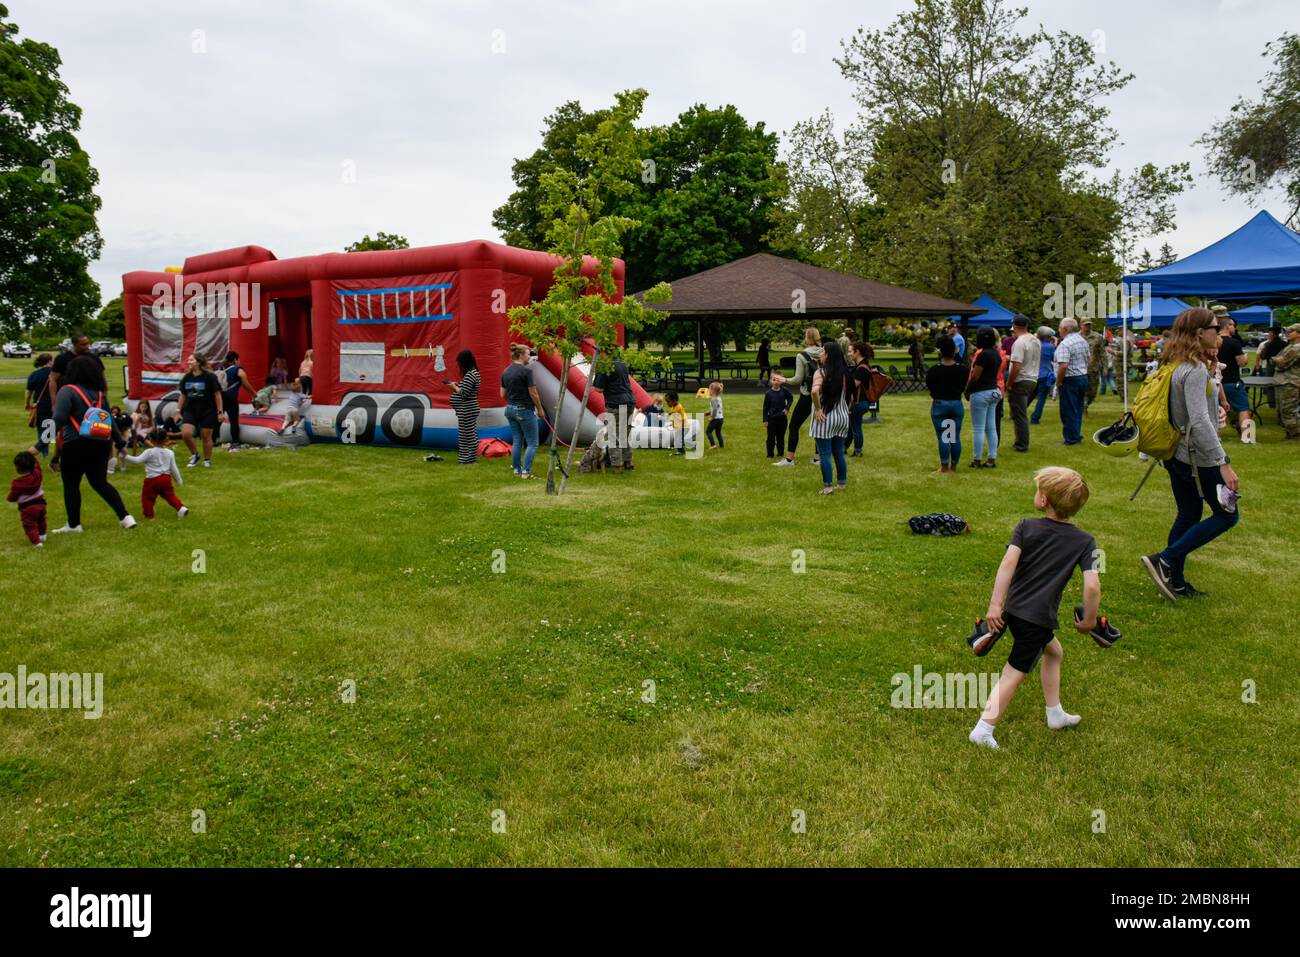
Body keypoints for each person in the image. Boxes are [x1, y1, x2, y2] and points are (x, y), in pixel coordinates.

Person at [968, 466, 1100, 751]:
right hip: (1037, 619)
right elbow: (1092, 586)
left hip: (1013, 612)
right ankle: (982, 730)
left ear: (1043, 501)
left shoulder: (1026, 526)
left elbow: (1007, 564)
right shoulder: (1085, 542)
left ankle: (1055, 714)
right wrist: (1089, 621)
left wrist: (995, 605)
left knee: (1054, 652)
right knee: (1012, 674)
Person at [1140, 308, 1242, 601]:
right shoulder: (1193, 370)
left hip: (1177, 454)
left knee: (1189, 512)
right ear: (1200, 333)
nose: (1219, 331)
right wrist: (1224, 463)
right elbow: (1198, 421)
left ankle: (1176, 581)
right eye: (1215, 327)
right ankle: (1166, 559)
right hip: (1199, 457)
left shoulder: (1177, 364)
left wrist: (1211, 371)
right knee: (1227, 515)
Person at [48, 355, 135, 533]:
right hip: (101, 444)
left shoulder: (67, 391)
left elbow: (57, 420)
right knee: (100, 482)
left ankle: (74, 524)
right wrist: (119, 442)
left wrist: (41, 443)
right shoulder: (100, 394)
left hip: (76, 444)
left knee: (71, 484)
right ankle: (125, 517)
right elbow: (110, 419)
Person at [774, 328, 823, 468]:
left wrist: (783, 380)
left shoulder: (801, 356)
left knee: (794, 425)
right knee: (819, 425)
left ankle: (789, 460)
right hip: (823, 394)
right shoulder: (825, 352)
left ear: (807, 338)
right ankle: (818, 458)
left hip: (807, 395)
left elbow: (797, 379)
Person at [810, 340, 851, 494]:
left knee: (825, 454)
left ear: (827, 355)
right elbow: (849, 396)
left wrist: (818, 409)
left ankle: (828, 486)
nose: (820, 354)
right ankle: (841, 484)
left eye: (822, 351)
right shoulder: (844, 373)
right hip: (842, 417)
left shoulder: (820, 372)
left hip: (825, 418)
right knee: (839, 452)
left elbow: (814, 391)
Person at [500, 343, 544, 479]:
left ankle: (516, 470)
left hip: (510, 409)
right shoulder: (527, 372)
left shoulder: (506, 371)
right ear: (520, 355)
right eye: (527, 354)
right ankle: (526, 472)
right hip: (524, 409)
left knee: (517, 440)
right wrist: (540, 409)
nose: (529, 357)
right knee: (532, 442)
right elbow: (534, 393)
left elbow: (502, 395)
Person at [126, 427, 187, 519]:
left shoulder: (149, 452)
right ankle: (181, 508)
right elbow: (173, 468)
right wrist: (179, 480)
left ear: (151, 439)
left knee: (147, 499)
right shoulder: (170, 453)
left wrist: (124, 456)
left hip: (152, 480)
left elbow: (136, 461)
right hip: (166, 479)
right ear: (166, 439)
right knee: (170, 495)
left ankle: (149, 516)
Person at [926, 333, 966, 473]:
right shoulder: (962, 369)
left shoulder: (934, 370)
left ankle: (944, 466)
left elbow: (930, 386)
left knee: (944, 436)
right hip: (956, 404)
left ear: (941, 351)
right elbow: (964, 385)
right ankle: (954, 466)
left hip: (940, 405)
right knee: (954, 436)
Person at [965, 327, 1003, 468]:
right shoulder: (996, 354)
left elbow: (975, 376)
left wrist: (967, 390)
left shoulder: (982, 355)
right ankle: (991, 459)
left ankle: (976, 460)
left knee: (978, 428)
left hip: (981, 392)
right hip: (994, 391)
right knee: (991, 428)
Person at [177, 353, 224, 468]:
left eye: (191, 360)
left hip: (208, 410)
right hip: (190, 410)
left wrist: (220, 412)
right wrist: (178, 411)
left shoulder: (209, 377)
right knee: (186, 434)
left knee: (206, 437)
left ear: (198, 362)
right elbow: (183, 395)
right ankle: (195, 454)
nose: (188, 362)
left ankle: (207, 460)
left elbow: (217, 394)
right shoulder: (187, 377)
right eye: (188, 360)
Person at [593, 356, 637, 472]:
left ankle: (617, 466)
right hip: (630, 401)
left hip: (615, 403)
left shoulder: (604, 365)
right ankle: (628, 462)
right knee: (625, 434)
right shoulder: (622, 363)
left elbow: (598, 389)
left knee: (614, 436)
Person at [1005, 316, 1041, 453]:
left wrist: (1009, 383)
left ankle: (1021, 444)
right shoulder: (1036, 340)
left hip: (1021, 380)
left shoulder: (1019, 342)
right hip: (1033, 378)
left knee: (1019, 414)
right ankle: (1020, 441)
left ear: (1014, 326)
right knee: (1020, 413)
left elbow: (1016, 365)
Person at [1054, 318, 1090, 445]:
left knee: (1068, 410)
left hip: (1070, 379)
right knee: (1078, 408)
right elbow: (1089, 359)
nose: (1059, 330)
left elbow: (1063, 365)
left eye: (1059, 327)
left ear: (1065, 329)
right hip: (1083, 376)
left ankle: (1070, 438)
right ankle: (1076, 434)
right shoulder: (1082, 340)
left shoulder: (1065, 344)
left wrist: (1058, 382)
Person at [1216, 318, 1252, 442]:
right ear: (1227, 326)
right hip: (1232, 382)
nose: (1235, 328)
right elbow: (1241, 363)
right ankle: (1247, 437)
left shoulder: (1212, 341)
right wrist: (1245, 359)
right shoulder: (1234, 343)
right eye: (1233, 326)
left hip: (1215, 382)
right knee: (1243, 409)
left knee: (1214, 410)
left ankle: (1214, 437)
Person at [448, 349, 481, 464]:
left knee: (466, 435)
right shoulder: (473, 373)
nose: (459, 365)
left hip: (467, 409)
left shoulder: (471, 374)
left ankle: (467, 460)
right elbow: (467, 389)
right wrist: (458, 385)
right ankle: (469, 459)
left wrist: (454, 387)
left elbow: (464, 393)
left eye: (460, 363)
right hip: (468, 409)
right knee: (469, 433)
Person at [8, 451, 47, 546]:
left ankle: (36, 542)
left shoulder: (17, 483)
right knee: (41, 520)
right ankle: (42, 535)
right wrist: (33, 457)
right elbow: (37, 465)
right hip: (41, 503)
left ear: (18, 468)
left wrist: (9, 498)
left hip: (27, 508)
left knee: (29, 525)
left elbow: (12, 497)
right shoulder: (37, 473)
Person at [220, 351, 255, 452]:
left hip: (220, 397)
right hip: (231, 398)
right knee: (233, 421)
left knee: (217, 419)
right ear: (235, 360)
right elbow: (246, 384)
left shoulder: (221, 368)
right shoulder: (238, 369)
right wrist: (254, 394)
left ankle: (212, 440)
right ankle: (235, 442)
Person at [49, 332, 102, 397]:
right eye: (83, 345)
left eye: (87, 343)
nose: (87, 346)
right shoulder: (62, 358)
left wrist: (103, 396)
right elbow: (53, 379)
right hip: (68, 397)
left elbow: (101, 379)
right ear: (74, 344)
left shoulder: (94, 358)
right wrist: (54, 401)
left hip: (91, 397)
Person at [846, 341, 877, 457]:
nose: (849, 354)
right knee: (852, 425)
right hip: (861, 402)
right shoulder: (862, 366)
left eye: (850, 351)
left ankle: (858, 451)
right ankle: (845, 447)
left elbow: (853, 385)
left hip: (859, 402)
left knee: (855, 427)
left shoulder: (862, 368)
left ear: (857, 352)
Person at [1271, 323, 1300, 440]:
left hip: (1291, 382)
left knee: (1289, 410)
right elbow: (1278, 359)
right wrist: (1276, 360)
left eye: (1291, 331)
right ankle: (1291, 432)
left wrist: (1276, 360)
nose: (1287, 333)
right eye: (1287, 331)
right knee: (1283, 410)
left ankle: (1296, 434)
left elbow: (1281, 363)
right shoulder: (1290, 346)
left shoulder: (1297, 348)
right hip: (1284, 381)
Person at [24, 354, 55, 458]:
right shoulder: (56, 374)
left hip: (41, 405)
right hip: (56, 405)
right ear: (50, 361)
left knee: (42, 429)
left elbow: (28, 392)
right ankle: (57, 452)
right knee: (54, 428)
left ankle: (44, 454)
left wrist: (27, 403)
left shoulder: (34, 374)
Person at [1029, 326, 1057, 425]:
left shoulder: (1033, 345)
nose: (1050, 338)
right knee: (1042, 398)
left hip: (1033, 374)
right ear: (1045, 337)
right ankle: (1035, 418)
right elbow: (1055, 358)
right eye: (1049, 336)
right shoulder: (1050, 346)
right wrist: (1055, 344)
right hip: (1045, 375)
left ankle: (1018, 413)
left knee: (1030, 396)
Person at [762, 376, 793, 459]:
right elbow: (765, 407)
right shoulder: (768, 393)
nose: (776, 382)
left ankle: (780, 453)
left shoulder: (784, 390)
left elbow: (790, 398)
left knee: (780, 437)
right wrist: (765, 420)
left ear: (781, 381)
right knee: (770, 437)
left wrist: (787, 408)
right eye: (774, 380)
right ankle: (770, 454)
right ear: (771, 381)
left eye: (778, 380)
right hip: (771, 419)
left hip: (782, 418)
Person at [1082, 319, 1105, 408]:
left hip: (1094, 368)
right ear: (1081, 325)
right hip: (1081, 368)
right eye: (1085, 325)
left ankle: (1087, 403)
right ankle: (1082, 406)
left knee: (1092, 391)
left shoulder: (1098, 337)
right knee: (1082, 389)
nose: (1087, 327)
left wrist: (1105, 367)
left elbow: (1102, 352)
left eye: (1089, 325)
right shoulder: (1077, 336)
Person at [106, 406, 132, 474]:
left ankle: (121, 466)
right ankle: (111, 467)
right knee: (113, 451)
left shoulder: (124, 425)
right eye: (113, 412)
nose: (114, 414)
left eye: (116, 412)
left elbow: (124, 440)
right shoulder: (110, 420)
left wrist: (122, 446)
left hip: (120, 437)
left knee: (123, 451)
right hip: (111, 437)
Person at [665, 391, 688, 455]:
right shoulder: (674, 406)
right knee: (680, 439)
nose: (667, 404)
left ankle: (681, 451)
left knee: (679, 439)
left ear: (674, 400)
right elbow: (673, 413)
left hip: (682, 426)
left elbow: (683, 417)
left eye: (668, 401)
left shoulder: (679, 407)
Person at [704, 381, 724, 449]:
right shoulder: (719, 398)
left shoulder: (713, 399)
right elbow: (717, 409)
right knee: (718, 433)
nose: (708, 391)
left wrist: (712, 417)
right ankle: (721, 445)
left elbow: (715, 409)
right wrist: (708, 413)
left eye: (709, 389)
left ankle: (713, 445)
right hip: (720, 419)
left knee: (708, 431)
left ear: (713, 391)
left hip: (715, 419)